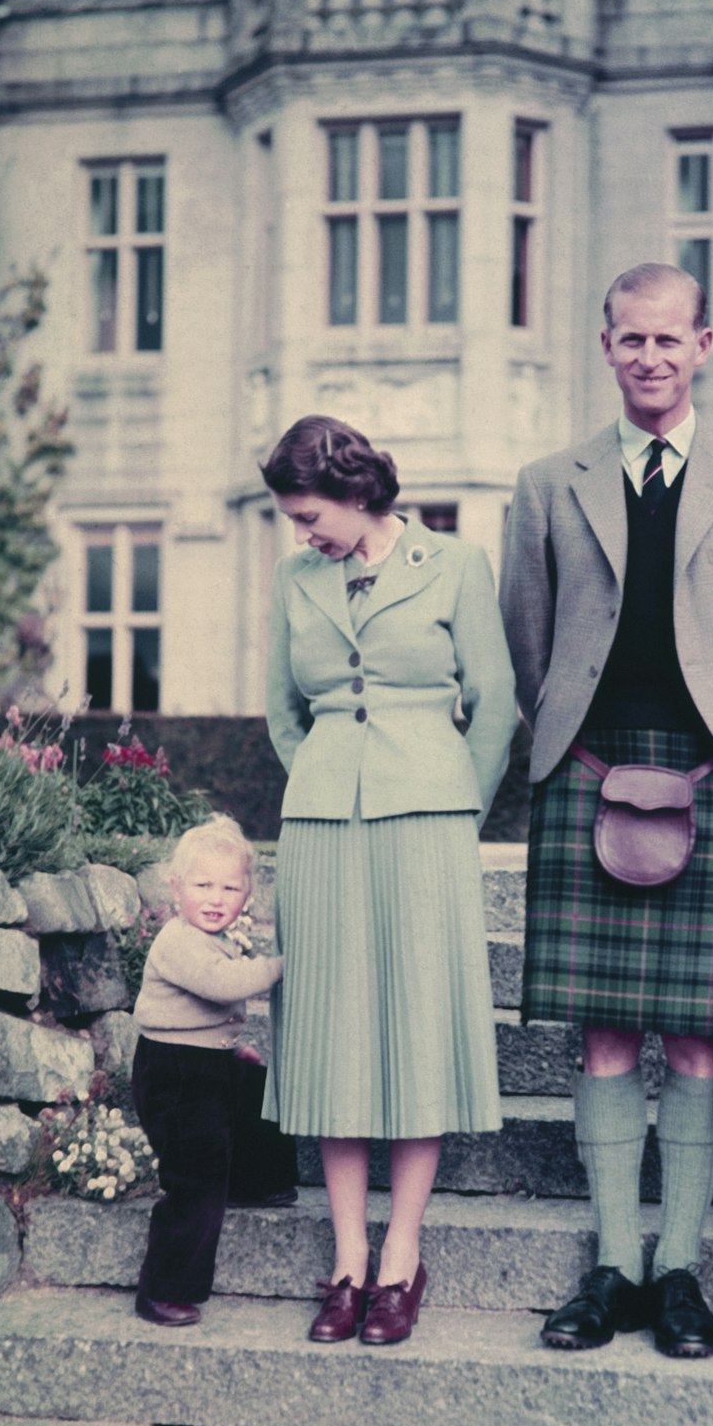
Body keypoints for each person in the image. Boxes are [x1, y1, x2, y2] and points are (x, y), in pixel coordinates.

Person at [500, 262, 713, 1358]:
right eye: (630, 339)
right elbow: (527, 640)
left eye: (668, 340)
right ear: (605, 345)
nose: (649, 356)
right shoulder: (549, 481)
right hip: (591, 769)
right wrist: (563, 753)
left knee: (695, 1038)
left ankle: (678, 1270)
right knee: (603, 1034)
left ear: (703, 343)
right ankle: (608, 1267)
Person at [262, 414, 516, 1347]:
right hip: (324, 824)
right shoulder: (295, 580)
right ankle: (347, 1261)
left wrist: (455, 808)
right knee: (333, 1032)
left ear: (358, 491)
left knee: (414, 1025)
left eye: (308, 514)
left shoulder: (455, 567)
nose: (302, 533)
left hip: (428, 822)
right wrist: (324, 779)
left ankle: (402, 1255)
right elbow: (284, 712)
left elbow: (495, 708)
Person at [131, 813, 299, 1328]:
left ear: (247, 895)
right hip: (174, 1074)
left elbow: (208, 1014)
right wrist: (284, 965)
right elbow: (222, 984)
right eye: (203, 885)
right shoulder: (177, 940)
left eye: (230, 887)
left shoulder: (216, 936)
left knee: (257, 1096)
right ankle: (164, 1287)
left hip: (207, 1060)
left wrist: (230, 1048)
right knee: (194, 1175)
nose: (216, 898)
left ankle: (259, 1180)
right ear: (176, 888)